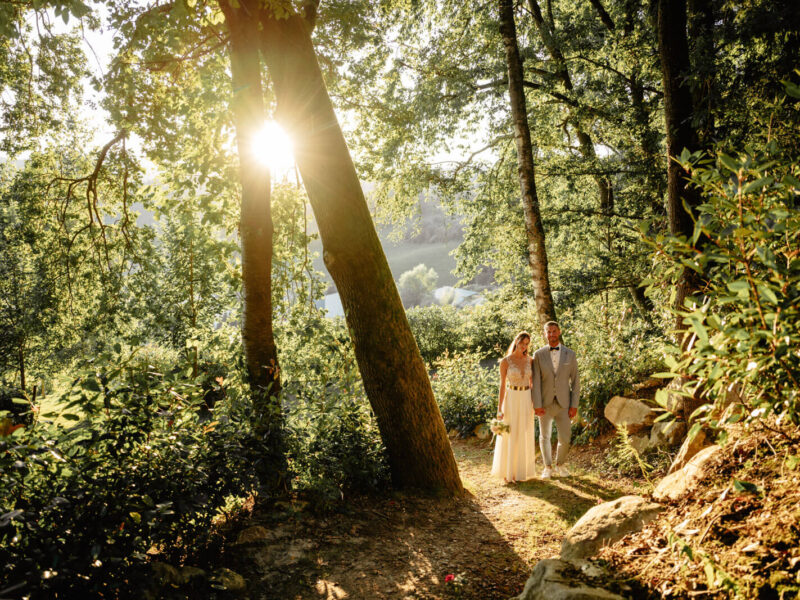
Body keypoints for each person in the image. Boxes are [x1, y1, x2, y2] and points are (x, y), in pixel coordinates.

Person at [532, 321, 581, 479]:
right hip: (545, 403)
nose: (551, 334)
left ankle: (560, 464)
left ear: (559, 332)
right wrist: (537, 404)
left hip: (564, 404)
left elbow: (575, 382)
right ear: (545, 334)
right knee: (544, 436)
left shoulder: (570, 354)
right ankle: (547, 467)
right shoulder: (538, 355)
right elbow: (536, 382)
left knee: (565, 437)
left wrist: (574, 405)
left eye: (554, 331)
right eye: (549, 332)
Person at [491, 331, 537, 483]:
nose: (524, 346)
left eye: (526, 344)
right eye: (522, 343)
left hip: (526, 398)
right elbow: (502, 386)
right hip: (511, 399)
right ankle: (507, 471)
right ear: (516, 341)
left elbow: (533, 384)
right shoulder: (506, 361)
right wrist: (499, 409)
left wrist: (535, 403)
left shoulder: (530, 360)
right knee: (510, 433)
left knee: (523, 432)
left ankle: (520, 471)